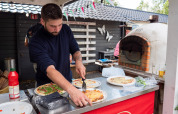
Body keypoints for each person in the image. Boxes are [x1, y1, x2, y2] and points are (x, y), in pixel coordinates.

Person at [29, 3, 92, 107]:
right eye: (53, 26)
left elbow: (75, 50)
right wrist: (72, 89)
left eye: (60, 25)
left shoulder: (66, 30)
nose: (57, 29)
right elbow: (50, 70)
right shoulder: (36, 41)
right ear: (42, 22)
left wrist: (79, 62)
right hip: (46, 89)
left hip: (67, 83)